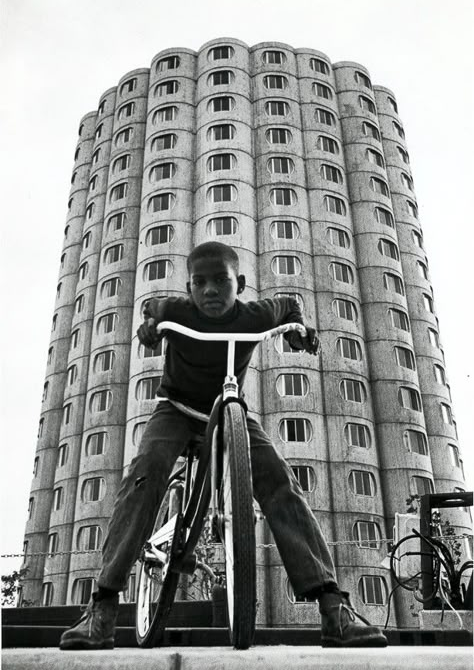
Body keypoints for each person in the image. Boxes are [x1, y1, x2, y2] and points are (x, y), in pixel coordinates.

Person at [59, 241, 387, 650]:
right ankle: (102, 609)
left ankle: (333, 609)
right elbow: (153, 310)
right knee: (146, 470)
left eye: (221, 281)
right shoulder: (177, 311)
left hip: (229, 407)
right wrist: (150, 329)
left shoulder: (253, 316)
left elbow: (287, 305)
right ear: (189, 287)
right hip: (175, 411)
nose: (210, 290)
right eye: (200, 283)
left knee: (279, 480)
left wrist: (301, 330)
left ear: (241, 284)